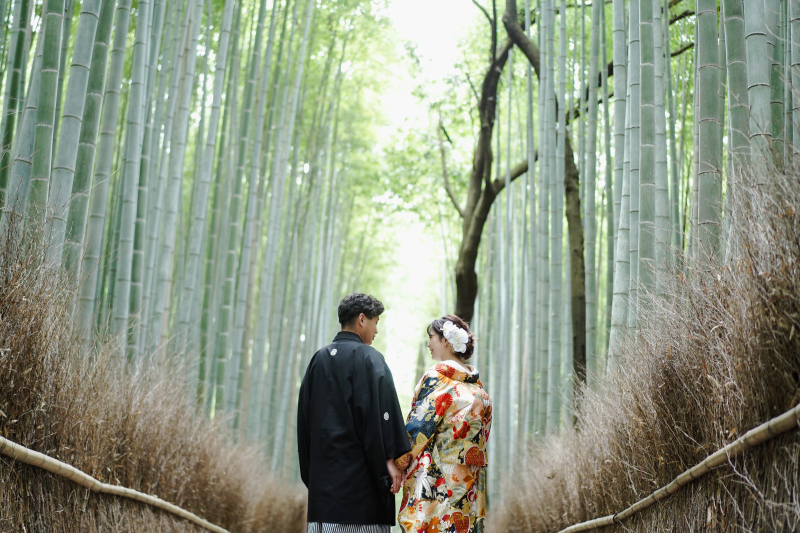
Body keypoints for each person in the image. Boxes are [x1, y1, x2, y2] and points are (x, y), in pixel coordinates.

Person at [297, 292, 412, 533]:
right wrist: (390, 461)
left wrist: (315, 481)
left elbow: (304, 426)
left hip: (323, 502)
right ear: (362, 319)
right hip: (363, 501)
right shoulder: (371, 359)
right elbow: (381, 418)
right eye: (375, 322)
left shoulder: (318, 360)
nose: (376, 331)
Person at [396, 315, 492, 533]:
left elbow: (418, 429)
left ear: (446, 341)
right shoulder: (478, 388)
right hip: (470, 481)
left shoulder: (437, 378)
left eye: (431, 338)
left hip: (442, 478)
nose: (429, 344)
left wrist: (399, 462)